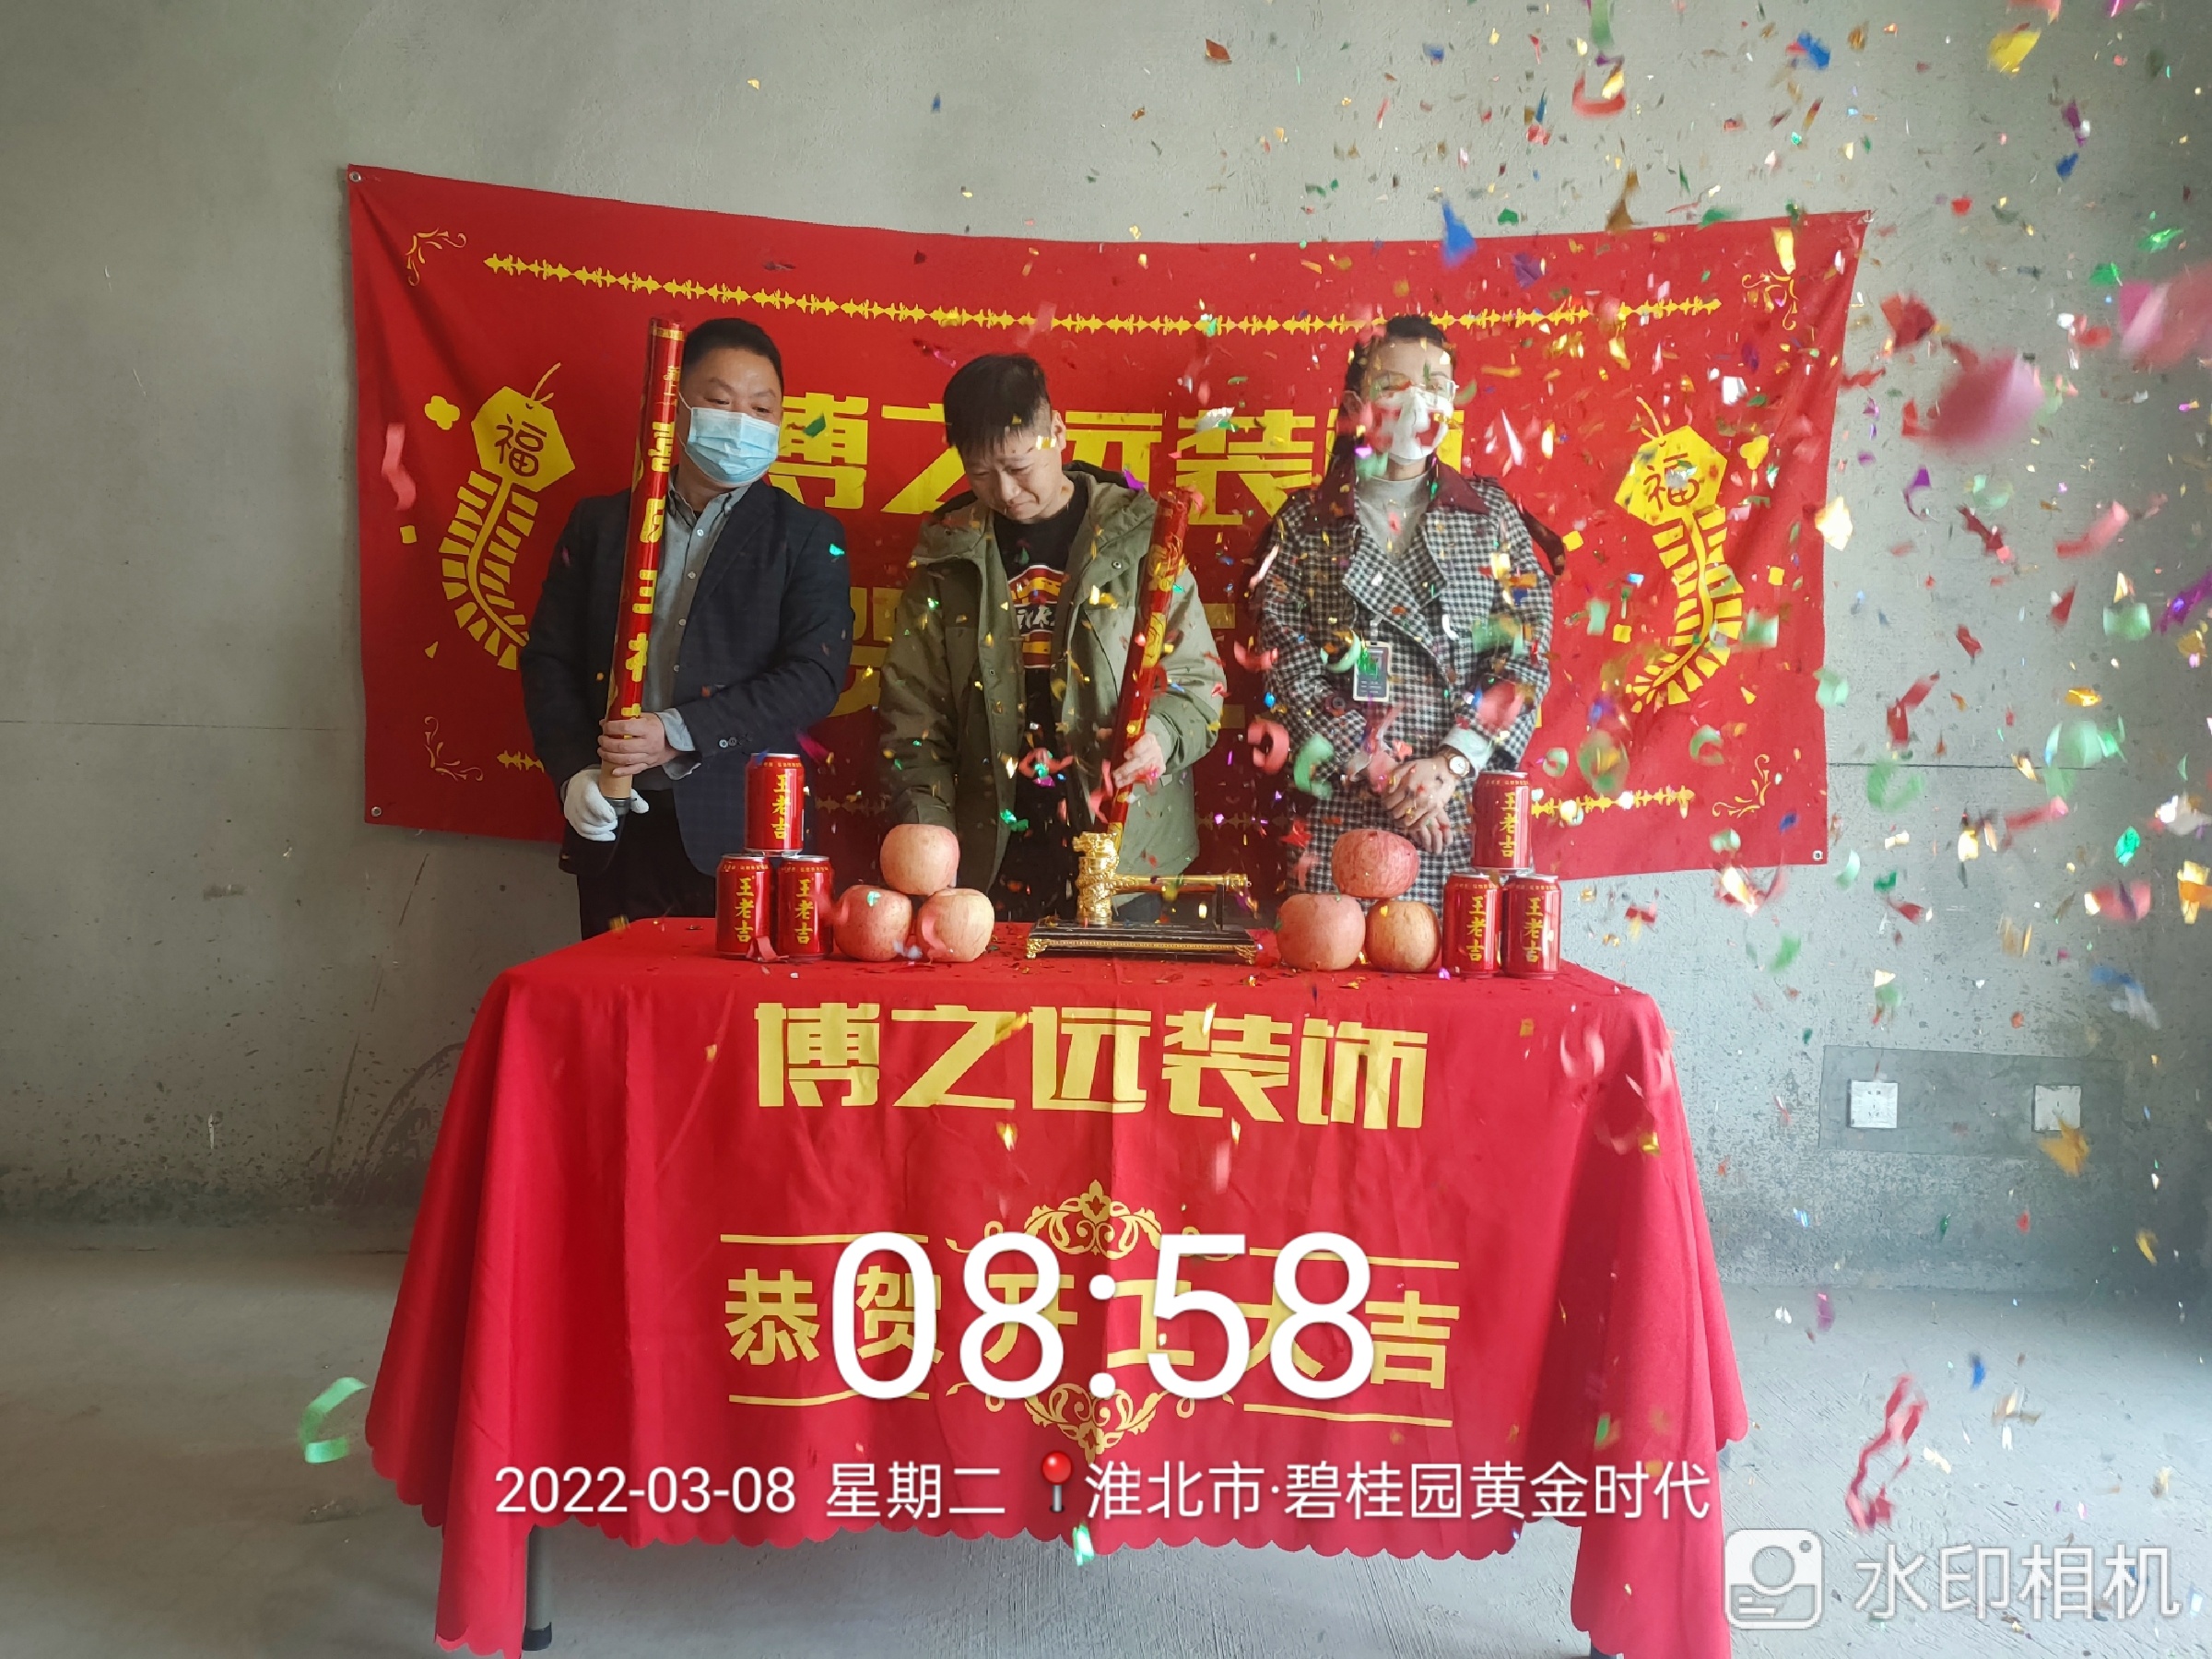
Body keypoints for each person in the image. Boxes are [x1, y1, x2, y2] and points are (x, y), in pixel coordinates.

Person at [521, 316, 853, 937]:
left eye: (762, 409)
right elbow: (549, 661)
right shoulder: (602, 527)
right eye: (721, 401)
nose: (742, 423)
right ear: (674, 407)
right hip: (615, 821)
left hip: (745, 833)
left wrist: (678, 732)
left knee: (740, 998)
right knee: (615, 996)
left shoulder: (806, 538)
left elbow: (814, 677)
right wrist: (572, 772)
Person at [876, 353, 1223, 920]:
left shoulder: (1142, 538)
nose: (1005, 492)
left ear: (1057, 432)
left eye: (1018, 467)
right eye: (980, 473)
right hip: (989, 855)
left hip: (1127, 851)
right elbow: (914, 720)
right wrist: (930, 837)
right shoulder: (948, 558)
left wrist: (1161, 736)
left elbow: (1198, 681)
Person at [1254, 314, 1562, 910]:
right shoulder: (1303, 525)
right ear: (1356, 407)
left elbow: (1525, 656)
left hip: (1460, 815)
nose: (1420, 402)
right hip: (1345, 819)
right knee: (1338, 965)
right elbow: (1287, 668)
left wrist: (1448, 764)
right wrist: (1380, 770)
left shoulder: (1490, 517)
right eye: (1395, 384)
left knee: (1463, 961)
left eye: (1437, 386)